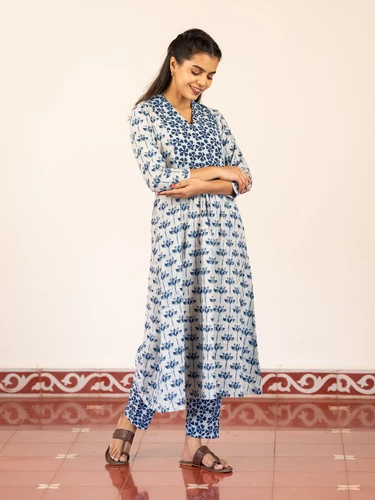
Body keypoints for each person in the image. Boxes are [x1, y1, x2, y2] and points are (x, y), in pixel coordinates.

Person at [105, 28, 262, 473]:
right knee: (167, 330)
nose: (203, 82)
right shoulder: (146, 116)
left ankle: (197, 443)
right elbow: (160, 180)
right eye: (197, 71)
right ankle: (130, 421)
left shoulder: (215, 119)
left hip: (223, 242)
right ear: (174, 64)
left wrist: (201, 181)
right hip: (176, 239)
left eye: (211, 75)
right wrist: (218, 172)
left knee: (212, 337)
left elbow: (244, 178)